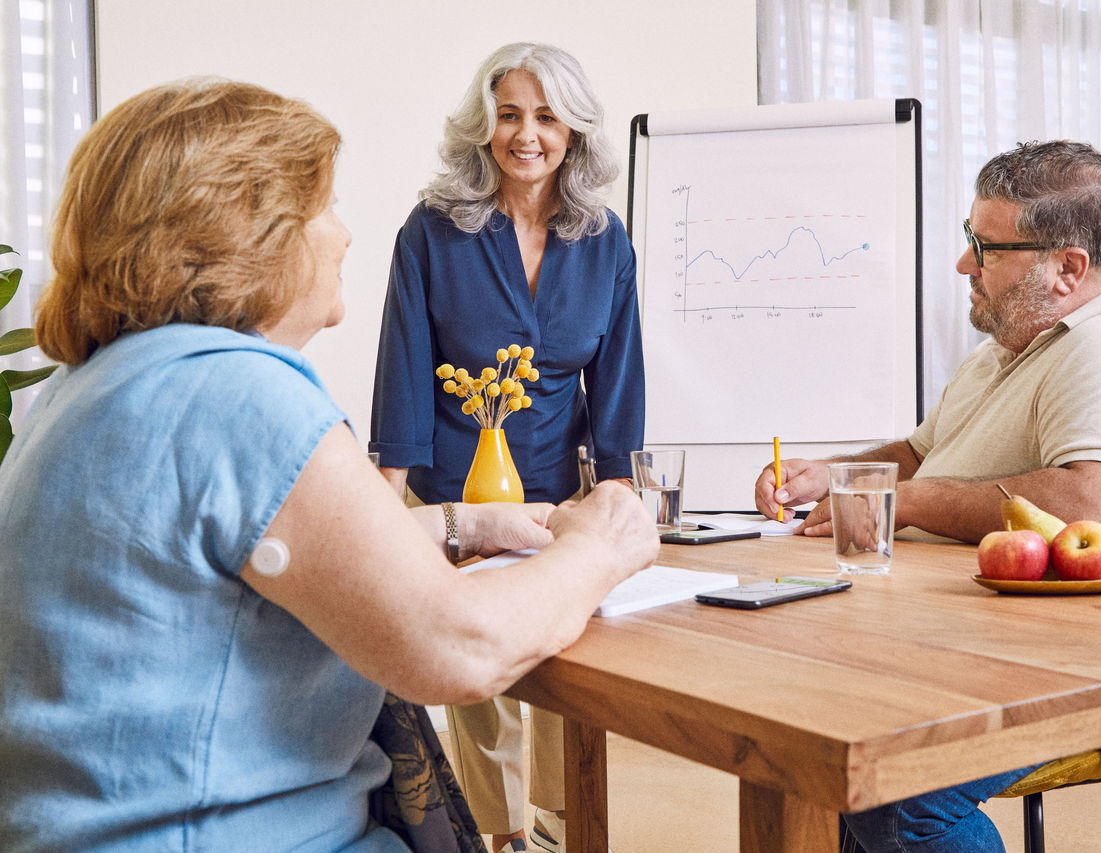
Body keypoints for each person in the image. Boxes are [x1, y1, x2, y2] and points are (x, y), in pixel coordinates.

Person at [0, 78, 657, 853]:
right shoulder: (240, 394)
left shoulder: (94, 387)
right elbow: (465, 646)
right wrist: (600, 545)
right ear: (251, 230)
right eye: (326, 207)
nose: (344, 236)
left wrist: (460, 522)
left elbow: (254, 554)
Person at [755, 140, 1101, 851]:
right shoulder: (1014, 340)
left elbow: (1094, 511)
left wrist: (906, 503)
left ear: (1067, 268)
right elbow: (916, 454)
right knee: (820, 733)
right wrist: (837, 473)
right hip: (973, 640)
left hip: (1100, 669)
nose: (963, 264)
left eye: (985, 246)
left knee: (902, 788)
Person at [369, 43, 642, 853]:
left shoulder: (604, 239)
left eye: (547, 117)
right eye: (511, 115)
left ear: (574, 131)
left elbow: (618, 376)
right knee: (480, 679)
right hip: (453, 493)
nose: (528, 135)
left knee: (562, 671)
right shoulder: (432, 231)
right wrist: (386, 507)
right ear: (484, 127)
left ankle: (566, 827)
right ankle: (500, 836)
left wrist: (621, 498)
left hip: (559, 497)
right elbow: (403, 369)